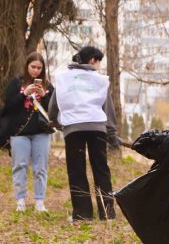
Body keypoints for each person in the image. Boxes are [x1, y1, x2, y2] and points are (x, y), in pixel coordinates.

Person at [48, 46, 121, 221]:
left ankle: (82, 214)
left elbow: (54, 105)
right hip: (97, 128)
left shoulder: (64, 78)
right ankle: (107, 212)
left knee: (76, 170)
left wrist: (56, 122)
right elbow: (108, 108)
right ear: (92, 60)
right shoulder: (100, 80)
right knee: (101, 169)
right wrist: (112, 134)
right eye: (98, 62)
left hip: (73, 128)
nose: (98, 66)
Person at [0, 52, 55, 212]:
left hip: (41, 132)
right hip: (19, 132)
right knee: (20, 165)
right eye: (33, 67)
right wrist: (24, 94)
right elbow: (8, 106)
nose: (36, 71)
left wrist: (43, 96)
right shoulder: (16, 83)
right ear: (27, 66)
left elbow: (53, 110)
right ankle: (20, 200)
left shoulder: (48, 86)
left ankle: (39, 201)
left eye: (39, 67)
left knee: (40, 167)